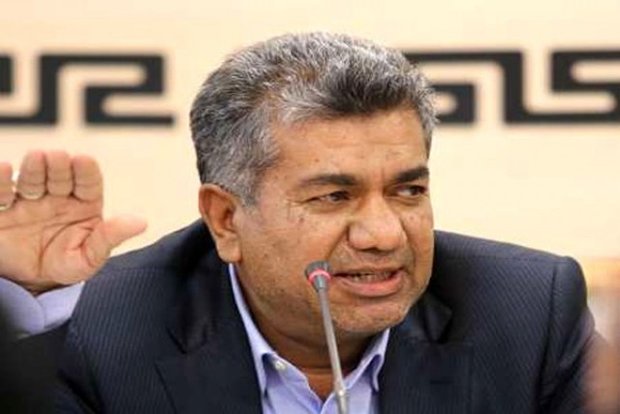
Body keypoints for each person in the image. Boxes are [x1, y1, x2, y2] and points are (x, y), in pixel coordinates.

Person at [0, 33, 598, 413]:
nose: (384, 235)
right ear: (226, 220)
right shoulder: (106, 325)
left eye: (408, 191)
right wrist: (32, 299)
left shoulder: (526, 311)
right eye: (334, 196)